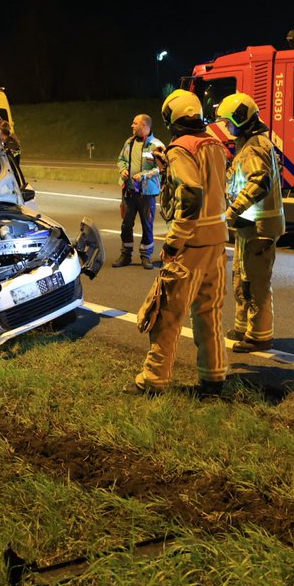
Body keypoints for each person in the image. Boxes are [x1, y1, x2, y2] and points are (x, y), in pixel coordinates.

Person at [128, 90, 227, 396]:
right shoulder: (214, 143)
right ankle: (213, 378)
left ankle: (154, 380)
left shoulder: (181, 148)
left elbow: (191, 195)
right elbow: (209, 184)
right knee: (209, 315)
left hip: (191, 245)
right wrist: (166, 164)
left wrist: (174, 242)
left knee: (166, 315)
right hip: (217, 242)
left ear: (172, 118)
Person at [215, 92, 284, 353]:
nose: (226, 127)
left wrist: (232, 211)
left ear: (241, 119)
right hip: (249, 225)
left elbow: (259, 182)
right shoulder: (250, 143)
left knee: (256, 284)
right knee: (242, 279)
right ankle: (244, 328)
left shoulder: (255, 146)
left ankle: (259, 337)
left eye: (228, 122)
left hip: (259, 227)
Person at [113, 113, 165, 270]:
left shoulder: (157, 146)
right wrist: (122, 170)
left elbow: (161, 168)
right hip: (129, 191)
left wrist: (144, 175)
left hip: (147, 193)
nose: (132, 126)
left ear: (144, 126)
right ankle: (125, 255)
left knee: (147, 225)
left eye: (135, 123)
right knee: (126, 225)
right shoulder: (129, 142)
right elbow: (121, 160)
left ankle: (146, 256)